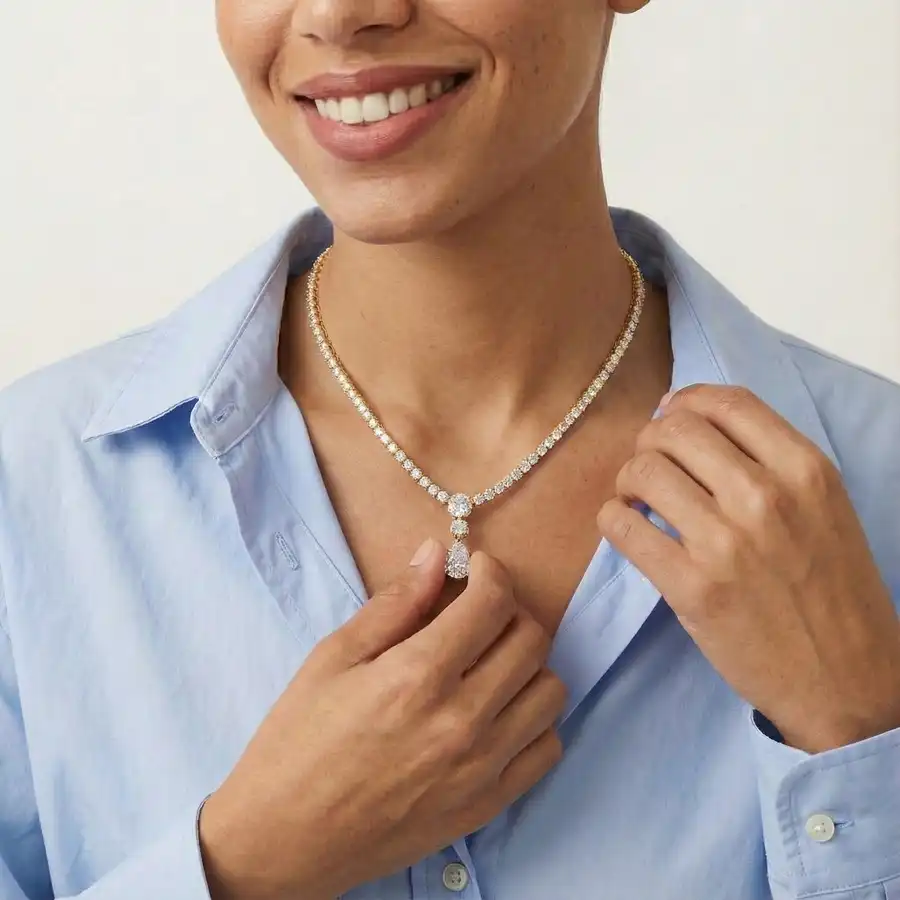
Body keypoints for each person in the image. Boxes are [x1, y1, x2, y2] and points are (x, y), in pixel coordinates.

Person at [1, 1, 899, 898]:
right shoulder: (31, 492)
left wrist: (860, 737)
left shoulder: (881, 485)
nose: (339, 13)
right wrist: (244, 864)